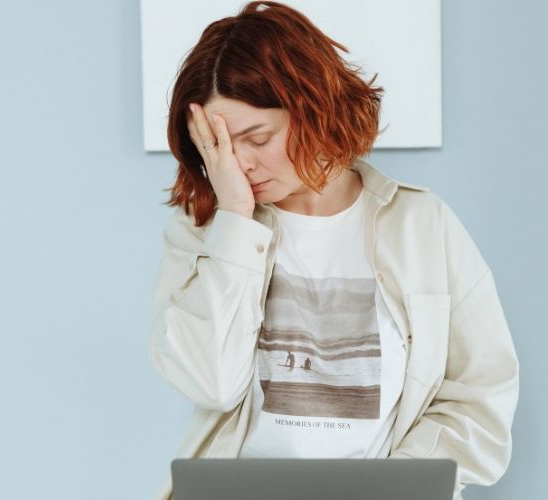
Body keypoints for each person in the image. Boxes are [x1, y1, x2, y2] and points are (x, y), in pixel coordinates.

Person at [149, 2, 519, 500]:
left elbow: (481, 398)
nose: (240, 163)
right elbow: (209, 383)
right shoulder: (204, 234)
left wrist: (393, 486)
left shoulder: (423, 227)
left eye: (257, 137)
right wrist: (235, 218)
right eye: (218, 147)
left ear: (312, 106)